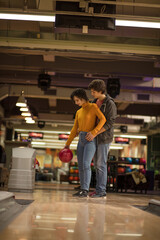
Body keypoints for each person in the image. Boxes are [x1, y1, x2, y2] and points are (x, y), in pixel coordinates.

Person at [65, 88, 106, 198]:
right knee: (81, 166)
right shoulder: (79, 112)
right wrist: (67, 143)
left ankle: (85, 190)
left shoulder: (93, 107)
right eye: (75, 101)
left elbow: (103, 120)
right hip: (81, 139)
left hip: (90, 139)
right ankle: (82, 189)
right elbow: (74, 129)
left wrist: (94, 132)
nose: (76, 103)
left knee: (86, 164)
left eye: (77, 100)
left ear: (83, 98)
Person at [86, 79, 117, 198]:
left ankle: (101, 191)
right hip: (94, 137)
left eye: (94, 92)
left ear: (100, 91)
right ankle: (98, 189)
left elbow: (109, 123)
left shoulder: (110, 103)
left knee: (101, 164)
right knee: (96, 164)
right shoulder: (95, 101)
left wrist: (95, 133)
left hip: (104, 138)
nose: (92, 94)